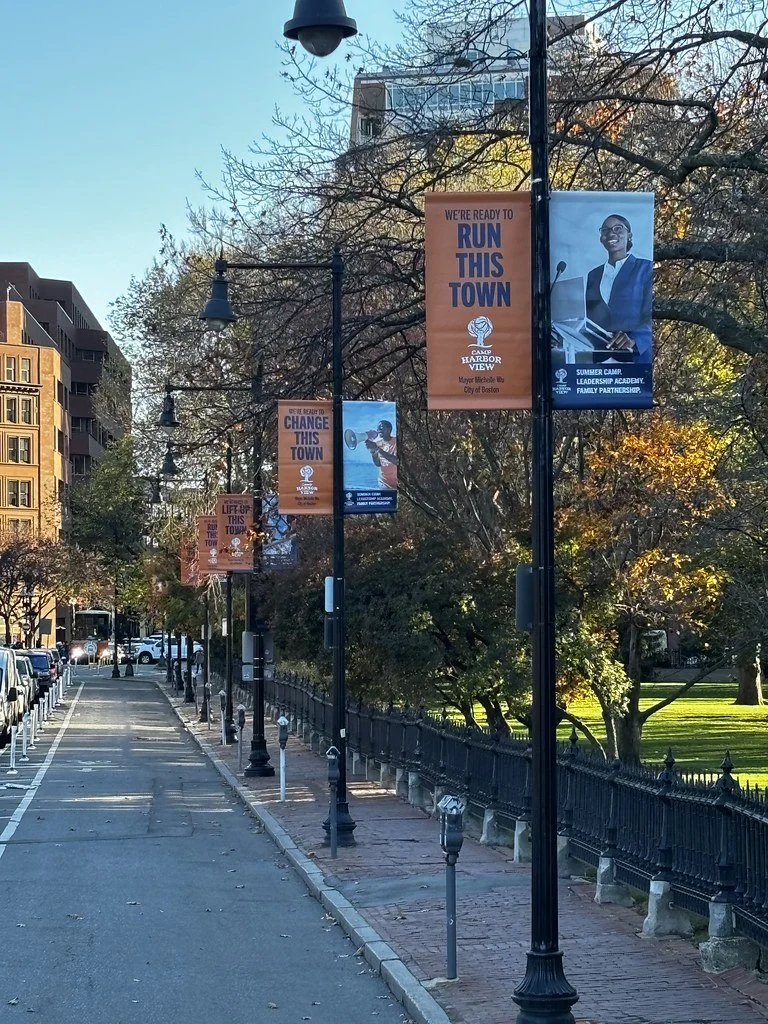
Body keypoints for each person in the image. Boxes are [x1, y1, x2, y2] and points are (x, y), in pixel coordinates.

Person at [585, 214, 653, 361]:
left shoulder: (645, 268)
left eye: (618, 228)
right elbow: (588, 317)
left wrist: (635, 339)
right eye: (605, 230)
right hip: (598, 360)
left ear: (629, 235)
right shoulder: (593, 275)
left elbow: (652, 313)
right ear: (601, 238)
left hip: (633, 358)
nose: (611, 233)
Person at [365, 420, 398, 490]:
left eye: (381, 427)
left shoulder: (396, 441)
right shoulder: (378, 443)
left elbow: (396, 461)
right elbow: (378, 464)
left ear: (389, 429)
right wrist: (373, 452)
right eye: (377, 428)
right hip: (383, 482)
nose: (378, 429)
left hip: (397, 483)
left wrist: (377, 448)